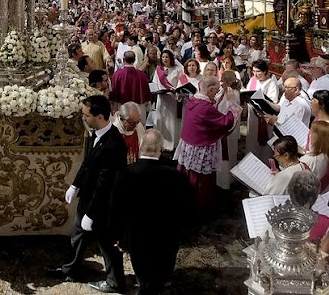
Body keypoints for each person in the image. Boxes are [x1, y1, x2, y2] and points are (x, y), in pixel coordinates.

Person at [49, 95, 127, 293]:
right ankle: (71, 269)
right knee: (78, 235)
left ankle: (115, 282)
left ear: (99, 116)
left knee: (107, 244)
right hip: (89, 197)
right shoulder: (97, 133)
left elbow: (104, 185)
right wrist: (75, 186)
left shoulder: (114, 144)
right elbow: (87, 162)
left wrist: (91, 214)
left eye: (86, 115)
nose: (83, 117)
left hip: (102, 203)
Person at [108, 129, 194, 295]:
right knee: (160, 276)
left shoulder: (125, 174)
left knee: (144, 276)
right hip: (167, 237)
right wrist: (181, 232)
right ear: (160, 149)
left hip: (137, 237)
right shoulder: (176, 176)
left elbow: (115, 208)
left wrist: (118, 237)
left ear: (140, 146)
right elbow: (188, 207)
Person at [173, 76, 236, 214]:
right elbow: (226, 121)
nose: (216, 93)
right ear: (211, 90)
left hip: (190, 143)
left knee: (188, 175)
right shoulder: (205, 107)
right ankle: (199, 208)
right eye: (216, 91)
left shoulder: (193, 100)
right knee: (201, 181)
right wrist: (232, 103)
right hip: (201, 147)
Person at [149, 50, 187, 151]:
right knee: (162, 120)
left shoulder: (178, 69)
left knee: (172, 121)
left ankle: (173, 143)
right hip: (162, 99)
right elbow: (155, 83)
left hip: (173, 99)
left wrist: (175, 89)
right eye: (163, 57)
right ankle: (161, 143)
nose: (165, 59)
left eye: (167, 57)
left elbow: (182, 82)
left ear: (171, 58)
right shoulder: (158, 69)